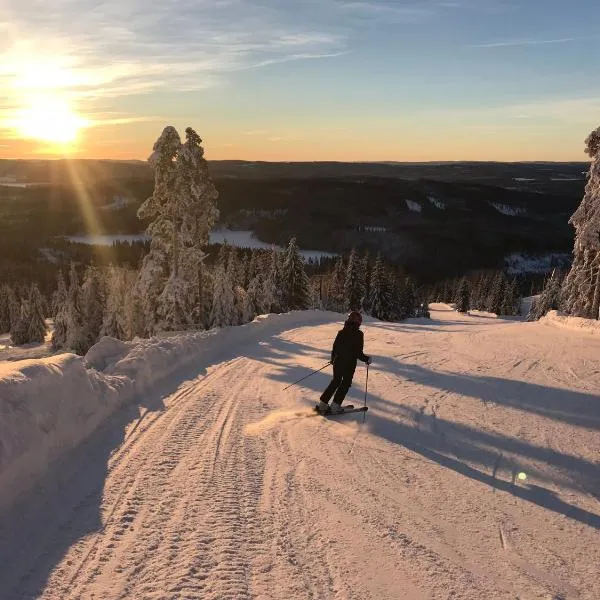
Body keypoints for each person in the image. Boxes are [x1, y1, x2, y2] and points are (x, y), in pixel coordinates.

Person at [317, 311, 371, 414]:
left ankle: (323, 404)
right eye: (360, 321)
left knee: (336, 381)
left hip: (338, 362)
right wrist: (367, 359)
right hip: (349, 364)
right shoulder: (359, 334)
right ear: (358, 322)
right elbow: (358, 353)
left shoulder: (341, 332)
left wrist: (333, 359)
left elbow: (335, 348)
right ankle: (335, 406)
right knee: (345, 383)